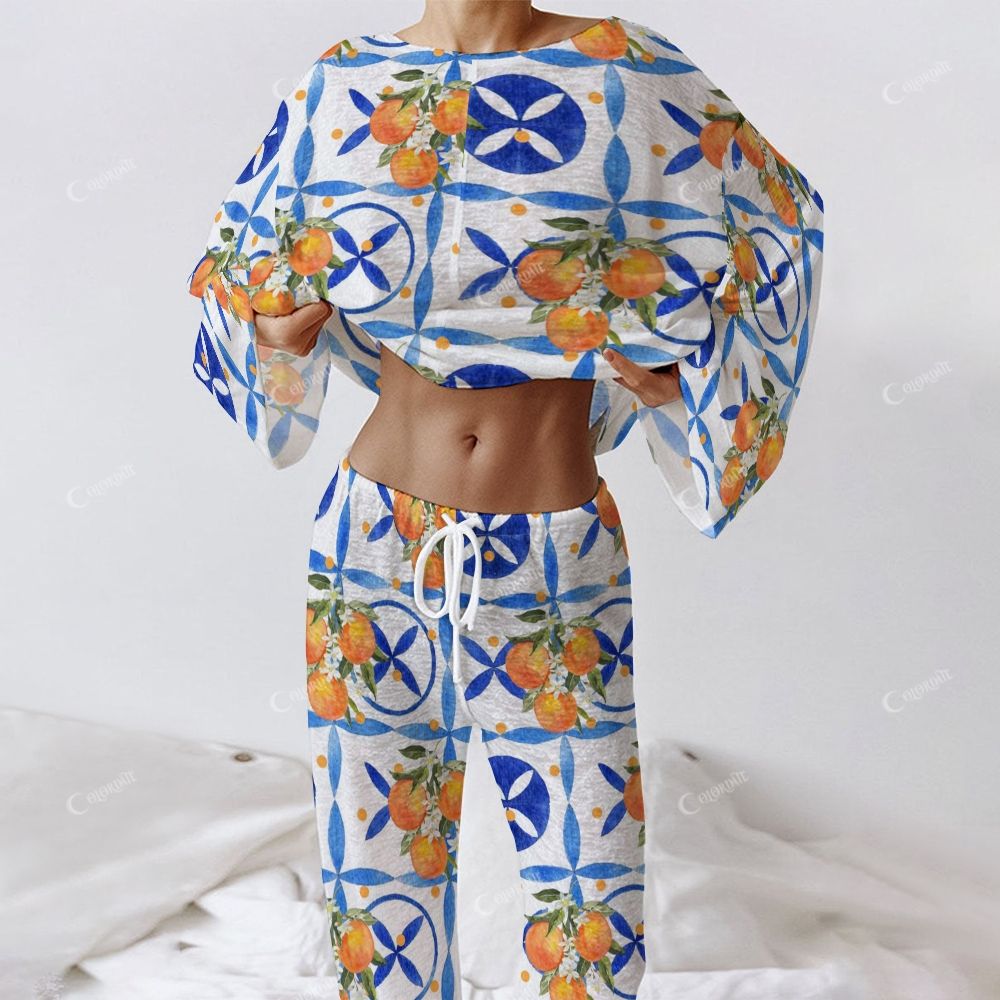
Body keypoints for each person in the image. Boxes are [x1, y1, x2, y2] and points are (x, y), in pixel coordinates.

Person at [186, 4, 826, 997]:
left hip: (555, 552)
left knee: (588, 902)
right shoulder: (344, 83)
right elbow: (242, 265)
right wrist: (271, 334)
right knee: (375, 884)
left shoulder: (629, 73)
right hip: (369, 538)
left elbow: (781, 226)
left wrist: (684, 380)